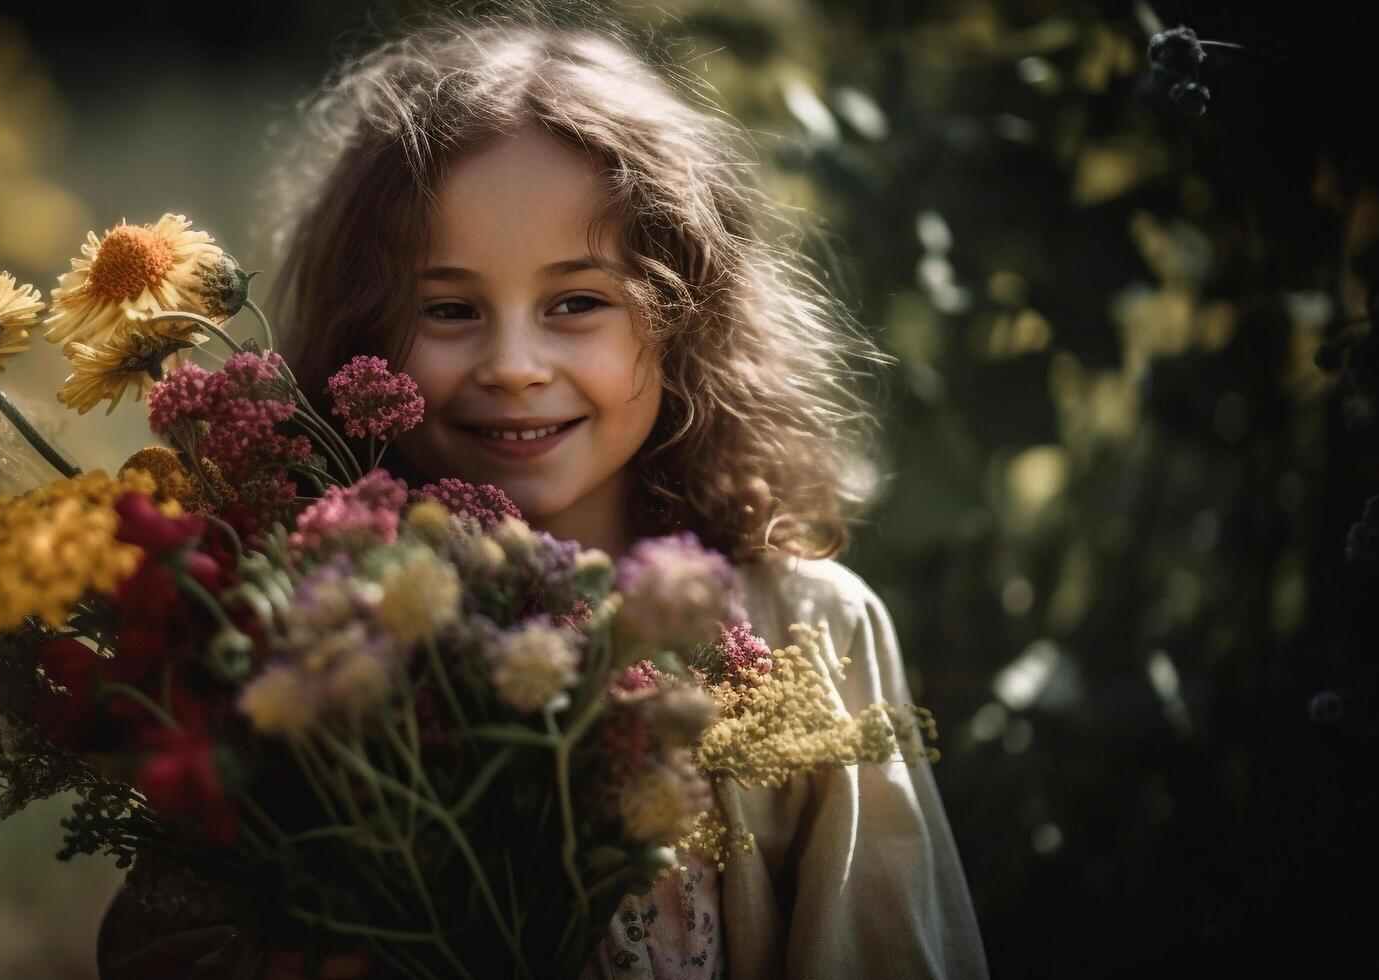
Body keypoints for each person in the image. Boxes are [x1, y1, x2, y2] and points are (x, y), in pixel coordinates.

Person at [100, 10, 988, 979]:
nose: (514, 365)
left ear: (688, 313)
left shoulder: (809, 630)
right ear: (363, 329)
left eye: (576, 303)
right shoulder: (285, 634)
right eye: (448, 309)